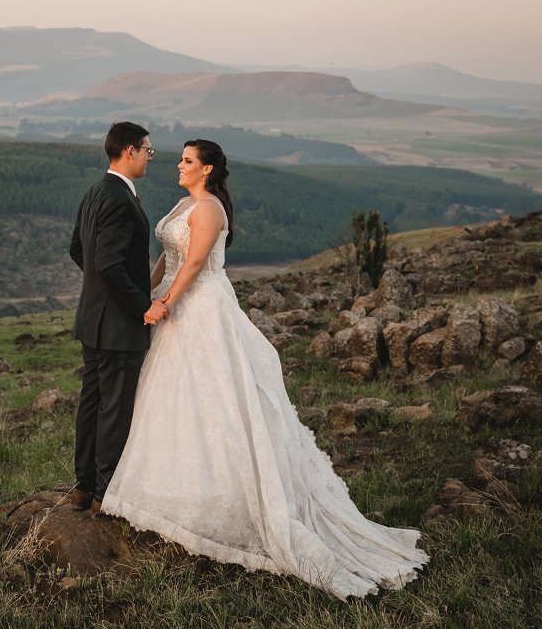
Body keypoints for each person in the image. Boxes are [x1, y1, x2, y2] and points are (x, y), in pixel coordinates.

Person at [100, 139, 428, 600]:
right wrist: (146, 293)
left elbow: (194, 264)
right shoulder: (182, 203)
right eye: (181, 159)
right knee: (174, 398)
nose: (178, 164)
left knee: (217, 399)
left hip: (202, 307)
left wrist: (167, 302)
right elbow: (168, 259)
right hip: (172, 303)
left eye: (187, 161)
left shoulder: (211, 209)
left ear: (207, 169)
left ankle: (226, 500)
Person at [69, 121, 168, 513]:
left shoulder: (96, 191)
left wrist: (97, 290)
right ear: (129, 150)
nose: (149, 157)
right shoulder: (120, 200)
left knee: (91, 403)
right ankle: (105, 495)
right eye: (147, 150)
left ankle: (83, 486)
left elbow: (78, 250)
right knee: (114, 407)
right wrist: (142, 305)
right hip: (117, 326)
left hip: (93, 319)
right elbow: (108, 265)